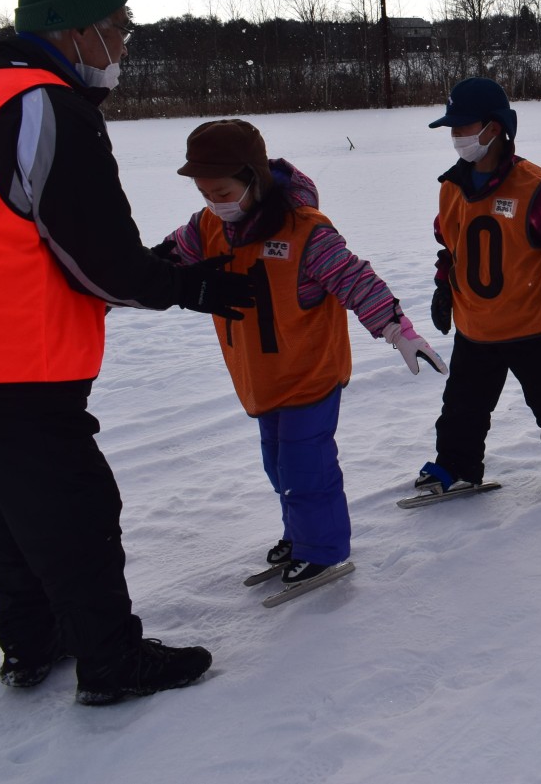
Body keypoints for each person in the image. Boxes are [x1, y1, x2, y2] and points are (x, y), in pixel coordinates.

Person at [0, 0, 252, 705]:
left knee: (16, 517)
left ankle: (29, 643)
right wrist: (190, 287)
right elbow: (100, 263)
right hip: (5, 367)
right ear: (70, 29)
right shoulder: (49, 109)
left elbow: (18, 233)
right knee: (79, 512)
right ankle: (112, 664)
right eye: (115, 28)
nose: (121, 45)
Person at [154, 119, 445, 586]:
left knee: (306, 466)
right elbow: (160, 263)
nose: (214, 203)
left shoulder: (305, 232)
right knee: (279, 464)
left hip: (310, 373)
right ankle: (302, 533)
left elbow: (355, 280)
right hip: (261, 375)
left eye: (223, 192)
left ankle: (323, 550)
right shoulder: (206, 227)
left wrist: (399, 330)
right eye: (205, 193)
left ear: (254, 178)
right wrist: (110, 288)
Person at [421, 77, 541, 496]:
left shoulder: (535, 187)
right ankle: (457, 465)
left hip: (531, 325)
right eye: (453, 129)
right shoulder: (451, 188)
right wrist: (443, 287)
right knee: (461, 409)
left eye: (465, 127)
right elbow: (450, 245)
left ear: (495, 128)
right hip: (475, 327)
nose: (457, 137)